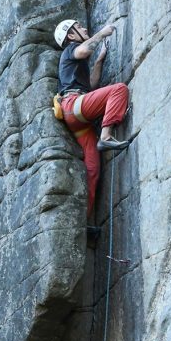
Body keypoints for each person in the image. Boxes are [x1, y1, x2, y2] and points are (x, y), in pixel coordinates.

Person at [54, 18, 130, 216]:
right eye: (78, 27)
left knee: (92, 170)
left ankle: (86, 221)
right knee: (119, 90)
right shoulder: (70, 50)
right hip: (73, 105)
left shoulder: (75, 64)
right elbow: (84, 50)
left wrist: (99, 61)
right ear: (70, 36)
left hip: (78, 118)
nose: (84, 28)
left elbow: (92, 86)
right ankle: (106, 136)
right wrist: (103, 33)